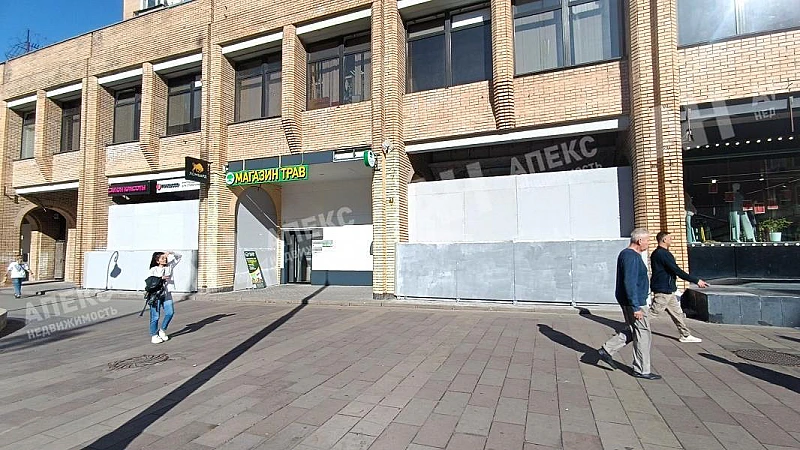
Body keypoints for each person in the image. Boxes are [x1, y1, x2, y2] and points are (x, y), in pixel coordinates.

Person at [597, 229, 661, 380]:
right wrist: (635, 306)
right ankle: (642, 370)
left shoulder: (628, 255)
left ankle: (607, 350)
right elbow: (630, 282)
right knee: (643, 334)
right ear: (640, 241)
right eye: (647, 240)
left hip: (632, 301)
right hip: (635, 302)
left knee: (634, 330)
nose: (648, 243)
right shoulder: (631, 256)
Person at [651, 231, 708, 343]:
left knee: (677, 313)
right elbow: (677, 270)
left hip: (668, 289)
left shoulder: (658, 253)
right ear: (664, 240)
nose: (671, 241)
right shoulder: (663, 254)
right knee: (653, 312)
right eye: (670, 238)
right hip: (663, 290)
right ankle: (633, 328)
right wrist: (696, 280)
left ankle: (685, 335)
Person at [148, 251, 182, 344]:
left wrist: (171, 253)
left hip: (167, 294)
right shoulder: (153, 269)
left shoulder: (169, 266)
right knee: (155, 316)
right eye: (162, 258)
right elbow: (150, 281)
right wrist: (161, 278)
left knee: (170, 313)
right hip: (156, 295)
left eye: (165, 258)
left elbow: (179, 257)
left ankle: (162, 330)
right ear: (157, 261)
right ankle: (154, 335)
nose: (165, 259)